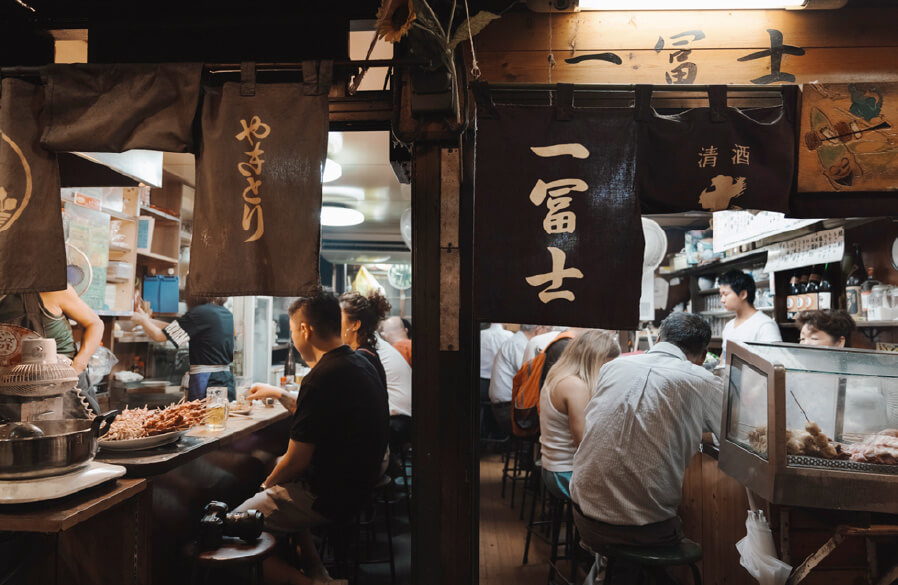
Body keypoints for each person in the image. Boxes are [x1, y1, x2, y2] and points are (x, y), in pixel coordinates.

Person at [236, 291, 389, 585]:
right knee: (281, 481)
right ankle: (318, 574)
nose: (293, 337)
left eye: (293, 330)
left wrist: (264, 486)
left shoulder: (320, 377)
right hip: (357, 487)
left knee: (225, 532)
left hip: (327, 496)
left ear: (305, 330)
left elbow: (296, 462)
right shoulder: (360, 363)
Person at [571, 313, 722, 583]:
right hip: (644, 531)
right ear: (702, 355)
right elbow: (735, 437)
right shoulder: (702, 380)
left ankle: (608, 572)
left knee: (623, 547)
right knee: (658, 525)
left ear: (660, 338)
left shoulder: (615, 366)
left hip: (582, 513)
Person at [539, 330, 620, 499]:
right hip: (566, 474)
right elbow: (583, 444)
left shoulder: (558, 375)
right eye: (605, 366)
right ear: (593, 361)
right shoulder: (575, 386)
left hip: (553, 468)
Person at [0, 285, 104, 415]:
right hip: (10, 393)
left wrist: (79, 365)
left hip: (65, 388)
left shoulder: (54, 290)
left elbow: (95, 324)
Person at [340, 291, 412, 453]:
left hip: (397, 422)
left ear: (355, 324)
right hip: (401, 419)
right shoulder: (372, 346)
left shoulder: (365, 354)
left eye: (339, 318)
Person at [132, 292, 235, 401]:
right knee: (224, 415)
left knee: (201, 416)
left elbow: (159, 336)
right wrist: (147, 319)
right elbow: (175, 330)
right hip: (225, 378)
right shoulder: (224, 313)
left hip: (207, 380)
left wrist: (142, 321)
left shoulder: (200, 313)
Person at [488, 324, 551, 436]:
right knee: (550, 424)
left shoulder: (517, 341)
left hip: (506, 406)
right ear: (539, 329)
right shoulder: (519, 344)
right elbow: (529, 377)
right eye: (548, 330)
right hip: (506, 410)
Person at [719, 270, 782, 358]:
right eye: (721, 295)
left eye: (725, 294)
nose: (722, 300)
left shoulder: (765, 325)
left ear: (743, 294)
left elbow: (776, 364)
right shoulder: (728, 326)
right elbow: (724, 358)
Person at [480, 323, 513, 438]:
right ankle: (496, 436)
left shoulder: (481, 334)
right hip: (497, 383)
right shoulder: (509, 336)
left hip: (479, 384)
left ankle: (483, 436)